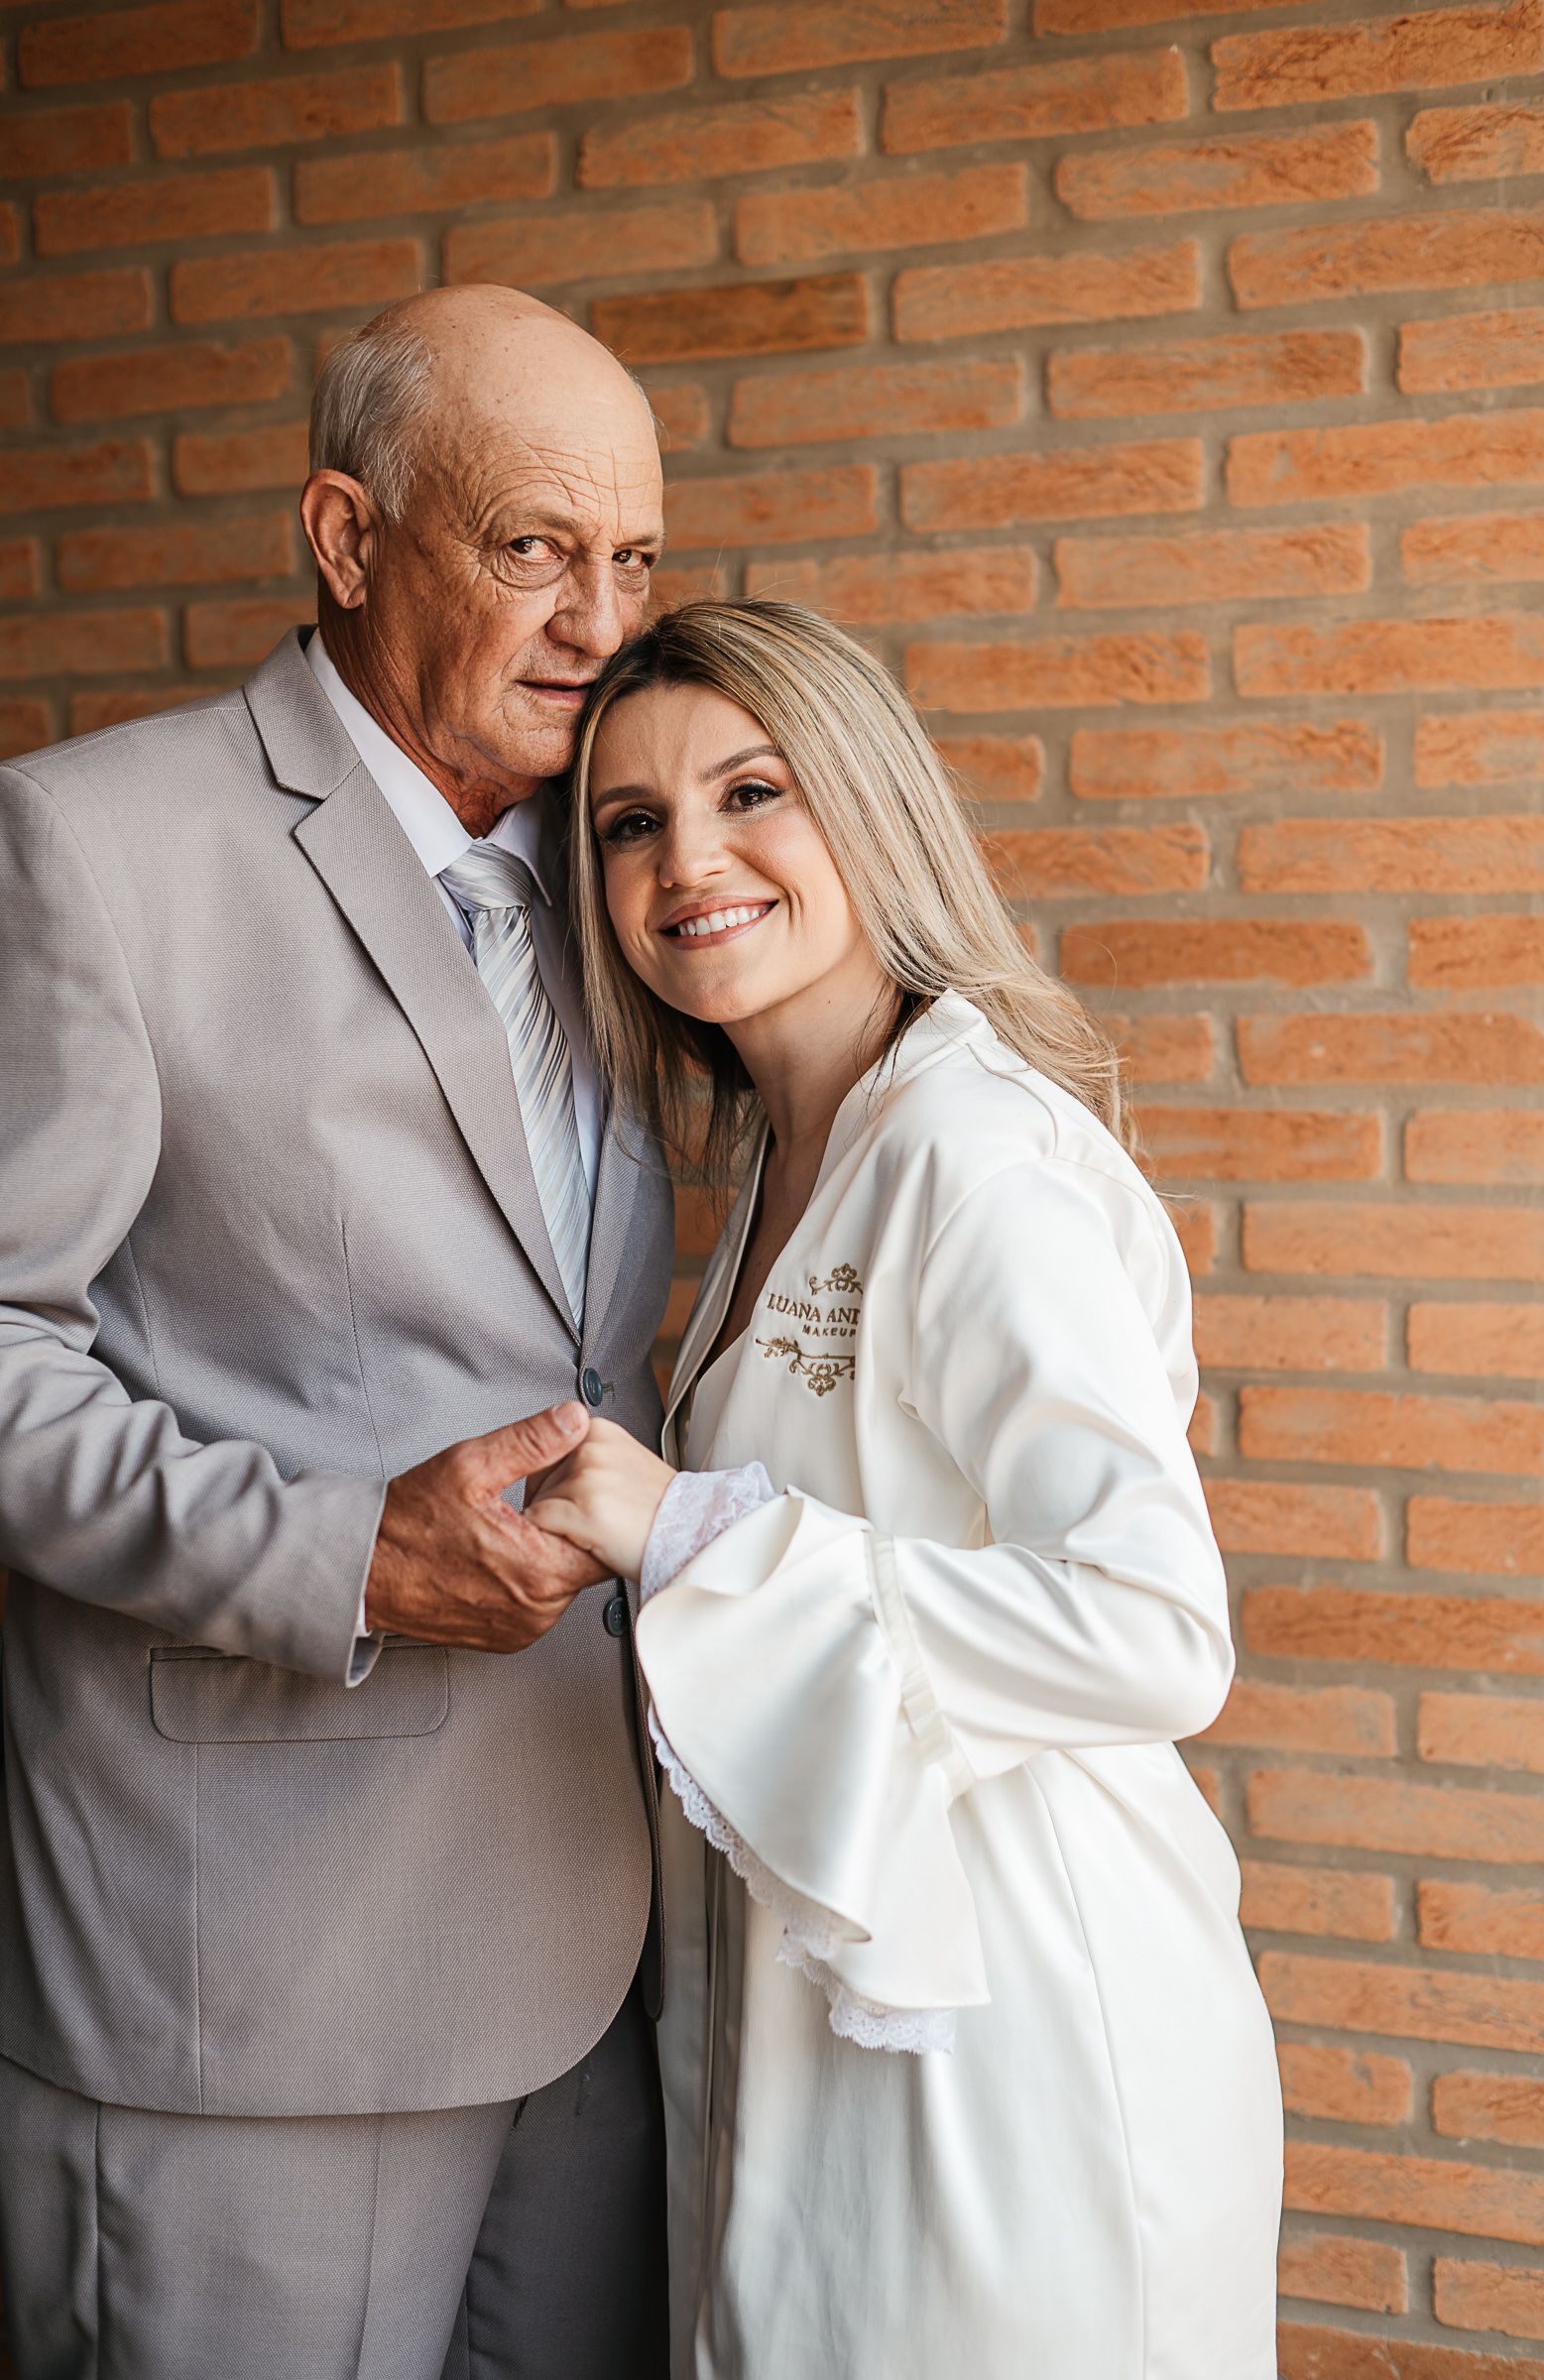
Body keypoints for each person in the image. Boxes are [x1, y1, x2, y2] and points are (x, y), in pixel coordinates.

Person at [0, 288, 672, 2378]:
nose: (598, 622)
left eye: (637, 562)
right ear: (346, 532)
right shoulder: (91, 847)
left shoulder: (641, 863)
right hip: (245, 1988)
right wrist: (340, 1553)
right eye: (532, 548)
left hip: (600, 1954)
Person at [528, 598, 1285, 2379]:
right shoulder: (790, 1161)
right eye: (629, 823)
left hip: (1022, 2029)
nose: (686, 861)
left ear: (865, 805)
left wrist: (688, 1529)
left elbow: (1156, 1627)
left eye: (750, 792)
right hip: (816, 2033)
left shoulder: (970, 1150)